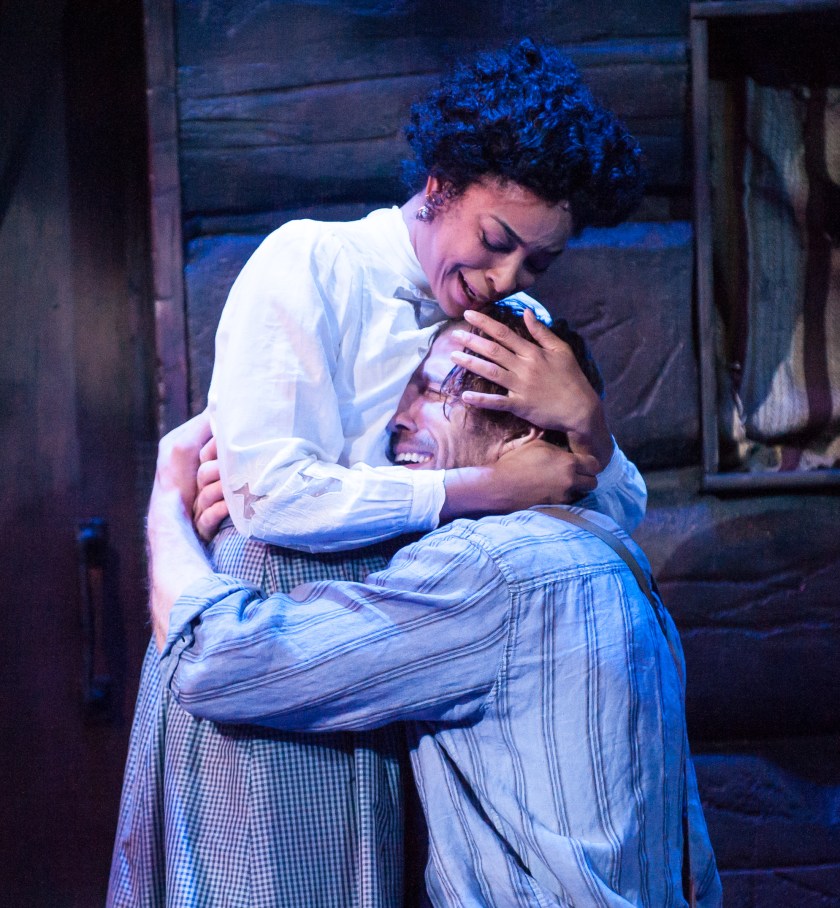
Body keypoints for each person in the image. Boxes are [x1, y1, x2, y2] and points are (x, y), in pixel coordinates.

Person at [108, 39, 646, 907]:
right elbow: (273, 496)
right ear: (440, 184)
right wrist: (483, 489)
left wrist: (586, 421)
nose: (505, 277)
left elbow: (607, 513)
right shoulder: (311, 264)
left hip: (404, 658)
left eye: (536, 262)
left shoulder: (513, 318)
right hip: (272, 644)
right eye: (496, 240)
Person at [147, 309, 722, 907]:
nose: (398, 417)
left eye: (431, 390)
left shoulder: (489, 568)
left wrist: (167, 504)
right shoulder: (609, 551)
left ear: (525, 429)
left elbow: (219, 660)